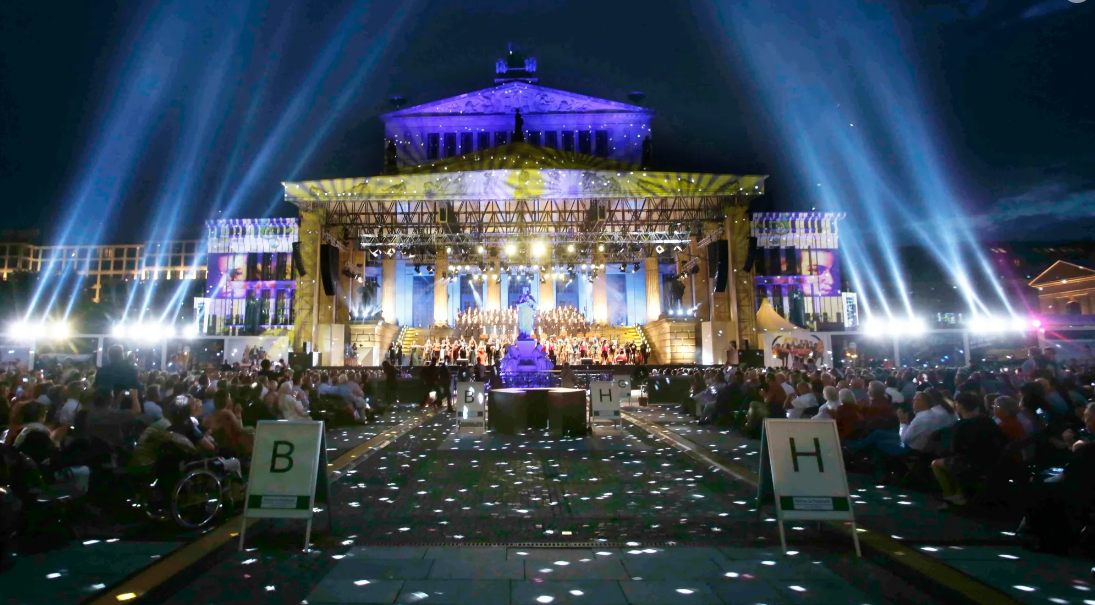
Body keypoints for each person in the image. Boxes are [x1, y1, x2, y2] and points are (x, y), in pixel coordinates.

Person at [931, 392, 1010, 507]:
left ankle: (951, 495)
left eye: (956, 404)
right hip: (994, 462)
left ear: (961, 406)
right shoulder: (988, 421)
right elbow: (1003, 440)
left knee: (936, 463)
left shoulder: (962, 426)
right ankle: (959, 493)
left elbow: (953, 448)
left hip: (971, 464)